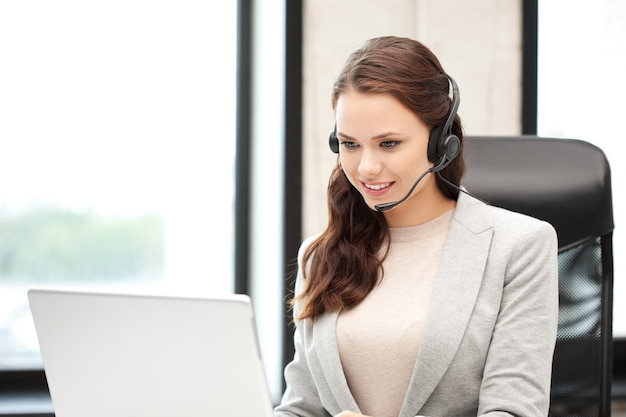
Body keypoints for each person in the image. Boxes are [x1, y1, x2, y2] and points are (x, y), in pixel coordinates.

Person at [273, 36, 559, 417]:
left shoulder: (518, 247)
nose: (366, 167)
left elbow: (513, 411)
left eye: (389, 144)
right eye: (349, 144)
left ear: (440, 142)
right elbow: (302, 407)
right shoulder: (320, 255)